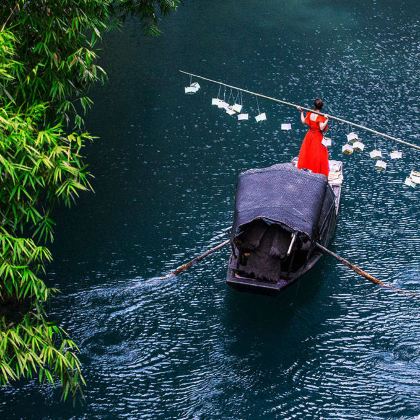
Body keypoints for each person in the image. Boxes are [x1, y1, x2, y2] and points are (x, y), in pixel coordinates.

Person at [296, 99, 329, 177]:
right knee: (317, 155)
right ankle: (317, 172)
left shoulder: (310, 113)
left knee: (308, 152)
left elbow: (303, 121)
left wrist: (301, 112)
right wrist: (327, 120)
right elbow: (321, 128)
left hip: (309, 135)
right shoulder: (320, 116)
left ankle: (307, 169)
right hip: (317, 136)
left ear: (314, 105)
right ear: (321, 107)